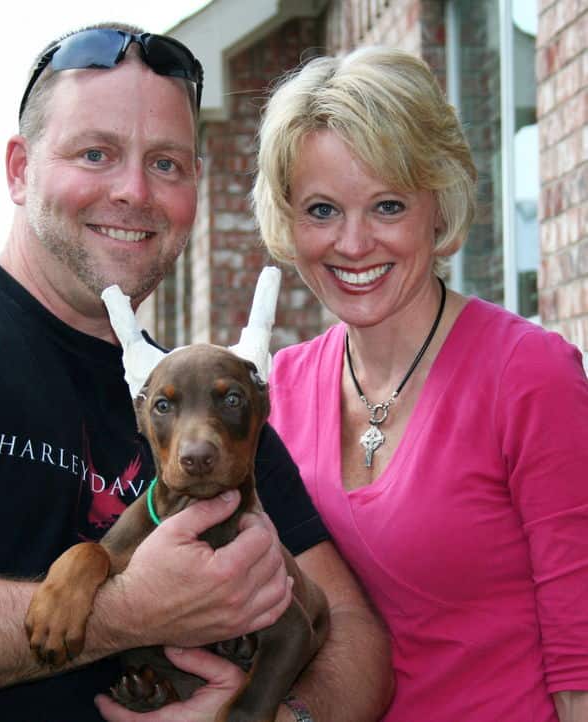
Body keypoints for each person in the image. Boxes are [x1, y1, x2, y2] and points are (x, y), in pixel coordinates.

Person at [0, 23, 394, 722]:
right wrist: (127, 611)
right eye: (95, 153)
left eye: (166, 163)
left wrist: (277, 717)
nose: (134, 191)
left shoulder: (203, 402)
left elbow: (356, 636)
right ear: (19, 169)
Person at [252, 45, 588, 722]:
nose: (352, 243)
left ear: (440, 205)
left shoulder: (529, 375)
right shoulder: (277, 392)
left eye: (386, 205)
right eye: (321, 210)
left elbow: (581, 657)